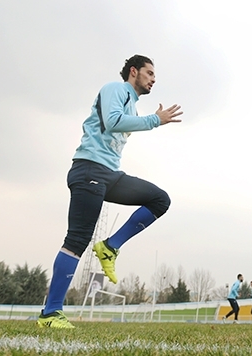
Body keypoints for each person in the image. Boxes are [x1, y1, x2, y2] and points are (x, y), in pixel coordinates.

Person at [38, 55, 183, 329]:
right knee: (77, 240)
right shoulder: (114, 90)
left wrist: (150, 119)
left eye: (154, 76)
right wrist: (156, 120)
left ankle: (109, 247)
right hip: (89, 170)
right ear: (133, 72)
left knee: (159, 200)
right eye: (149, 73)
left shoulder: (133, 105)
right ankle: (50, 313)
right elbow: (113, 121)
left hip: (109, 174)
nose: (153, 79)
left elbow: (123, 124)